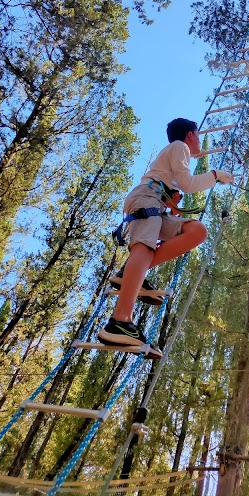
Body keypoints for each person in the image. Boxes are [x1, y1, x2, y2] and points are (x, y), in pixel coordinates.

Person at [98, 118, 234, 359]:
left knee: (197, 231)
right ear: (191, 135)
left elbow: (178, 183)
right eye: (198, 135)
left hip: (157, 204)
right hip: (147, 199)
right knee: (145, 247)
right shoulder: (180, 147)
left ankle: (129, 272)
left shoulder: (172, 157)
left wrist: (172, 199)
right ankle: (120, 321)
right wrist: (215, 175)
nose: (200, 140)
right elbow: (188, 183)